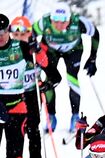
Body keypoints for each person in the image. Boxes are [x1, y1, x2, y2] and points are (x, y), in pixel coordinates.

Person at [0, 14, 42, 158]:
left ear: (7, 30)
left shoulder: (20, 47)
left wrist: (37, 49)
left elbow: (45, 64)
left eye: (2, 32)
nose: (0, 37)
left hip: (17, 108)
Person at [35, 4, 101, 136]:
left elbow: (95, 33)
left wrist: (92, 58)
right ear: (51, 18)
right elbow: (29, 36)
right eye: (55, 20)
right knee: (49, 81)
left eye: (63, 21)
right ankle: (51, 117)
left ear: (69, 19)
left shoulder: (79, 22)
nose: (59, 25)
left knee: (72, 80)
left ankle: (75, 116)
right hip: (51, 51)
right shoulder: (43, 22)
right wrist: (34, 54)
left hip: (73, 50)